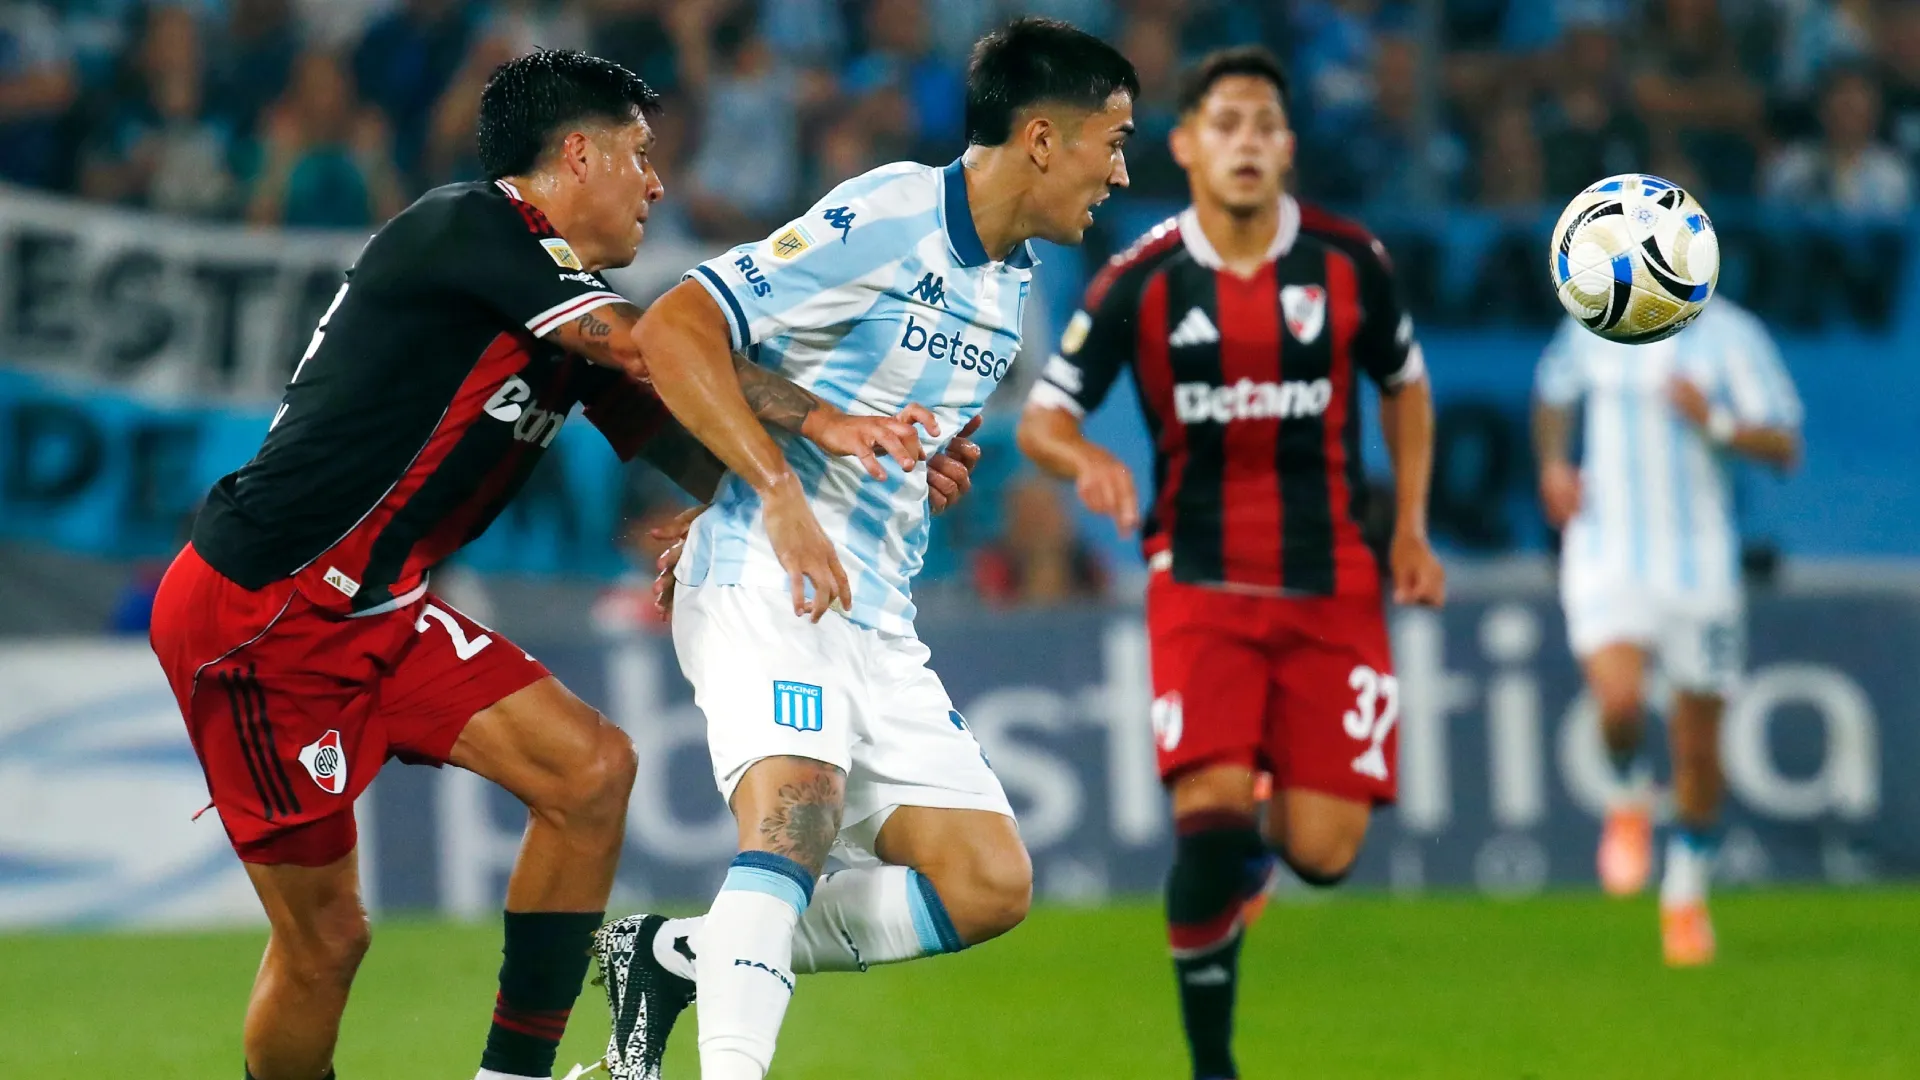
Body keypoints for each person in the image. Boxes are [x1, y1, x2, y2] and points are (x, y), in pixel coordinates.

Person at [147, 50, 960, 1080]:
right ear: (577, 153)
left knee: (590, 773)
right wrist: (838, 417)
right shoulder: (468, 228)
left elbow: (687, 445)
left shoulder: (564, 299)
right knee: (327, 943)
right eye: (639, 154)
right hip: (264, 617)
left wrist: (877, 473)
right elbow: (649, 351)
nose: (657, 183)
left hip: (378, 605)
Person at [588, 18, 1138, 1080]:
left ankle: (676, 955)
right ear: (1038, 138)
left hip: (873, 607)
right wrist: (770, 493)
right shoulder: (890, 213)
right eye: (1109, 141)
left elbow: (864, 400)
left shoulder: (1008, 282)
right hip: (771, 569)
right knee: (795, 814)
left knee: (986, 882)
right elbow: (673, 331)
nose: (1119, 171)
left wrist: (923, 460)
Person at [1015, 47, 1445, 1080]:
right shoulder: (1143, 278)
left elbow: (1407, 386)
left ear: (1287, 148)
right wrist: (1088, 458)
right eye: (1227, 125)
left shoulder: (1351, 263)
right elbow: (1042, 421)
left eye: (1263, 125)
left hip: (1334, 586)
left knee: (1325, 854)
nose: (1246, 142)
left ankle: (1256, 860)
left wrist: (1412, 528)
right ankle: (1213, 1063)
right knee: (1206, 819)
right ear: (1188, 146)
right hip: (1198, 584)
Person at [1533, 297, 1802, 966]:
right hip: (1607, 550)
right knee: (1619, 701)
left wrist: (1712, 419)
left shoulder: (1735, 336)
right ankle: (1627, 795)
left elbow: (1785, 444)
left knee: (1698, 744)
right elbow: (1551, 393)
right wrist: (1551, 464)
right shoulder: (1597, 320)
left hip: (1699, 562)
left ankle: (1684, 891)